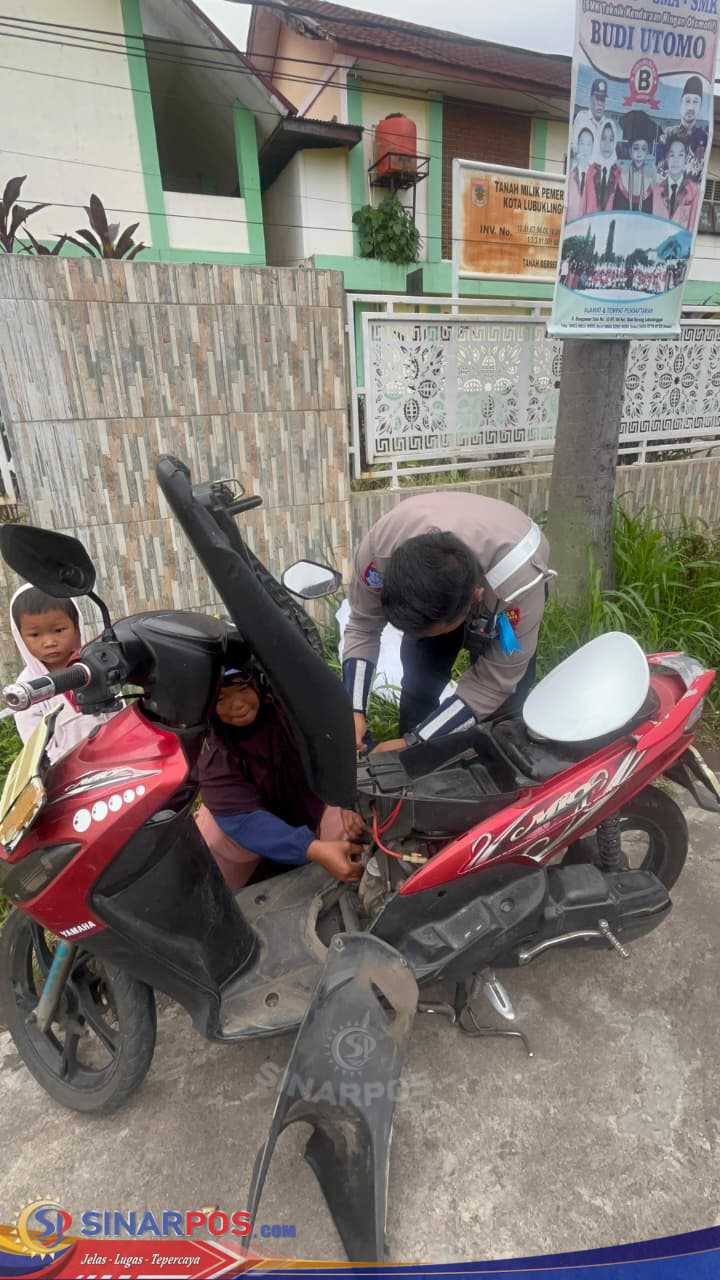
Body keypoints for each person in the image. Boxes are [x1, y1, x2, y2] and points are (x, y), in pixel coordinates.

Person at [342, 492, 554, 752]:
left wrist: (415, 743)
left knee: (506, 704)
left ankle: (494, 757)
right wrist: (353, 711)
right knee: (420, 675)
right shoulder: (379, 552)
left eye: (432, 631)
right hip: (445, 590)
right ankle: (416, 758)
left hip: (506, 584)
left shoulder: (519, 585)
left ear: (474, 600)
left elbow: (493, 683)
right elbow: (364, 626)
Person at [196, 664, 364, 888]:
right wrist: (310, 848)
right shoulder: (209, 745)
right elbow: (241, 819)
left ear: (257, 683)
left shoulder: (289, 705)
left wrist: (347, 798)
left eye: (243, 688)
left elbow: (335, 748)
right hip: (249, 819)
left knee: (352, 827)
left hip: (312, 803)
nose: (237, 704)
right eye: (220, 699)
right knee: (213, 844)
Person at [10, 584, 110, 764]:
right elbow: (39, 749)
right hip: (69, 776)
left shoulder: (96, 666)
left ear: (77, 627)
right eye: (35, 635)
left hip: (117, 759)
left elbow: (117, 714)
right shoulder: (27, 690)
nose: (49, 642)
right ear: (20, 637)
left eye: (58, 630)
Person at [652, 134, 699, 230]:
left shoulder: (694, 191)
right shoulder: (655, 190)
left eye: (680, 155)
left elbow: (692, 227)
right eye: (672, 155)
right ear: (667, 158)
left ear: (686, 159)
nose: (676, 160)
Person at [613, 110, 656, 213]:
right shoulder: (621, 175)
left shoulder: (651, 178)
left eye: (644, 149)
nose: (639, 153)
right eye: (636, 148)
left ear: (647, 153)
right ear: (630, 151)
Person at [587, 121, 621, 212]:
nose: (607, 144)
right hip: (589, 224)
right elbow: (583, 205)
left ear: (615, 142)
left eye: (611, 139)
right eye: (603, 138)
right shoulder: (590, 171)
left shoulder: (619, 174)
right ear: (598, 140)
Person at [573, 77, 612, 150]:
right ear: (591, 99)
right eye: (597, 98)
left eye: (602, 99)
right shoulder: (582, 118)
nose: (600, 103)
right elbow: (574, 146)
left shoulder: (607, 123)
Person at [566, 127, 596, 221]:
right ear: (577, 146)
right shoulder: (570, 176)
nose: (585, 148)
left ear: (592, 148)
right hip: (571, 228)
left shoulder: (597, 178)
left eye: (588, 144)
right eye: (582, 143)